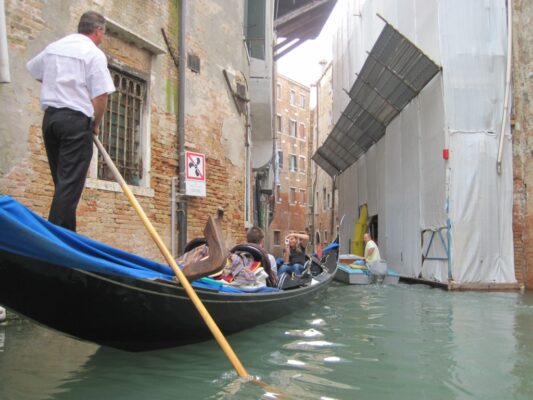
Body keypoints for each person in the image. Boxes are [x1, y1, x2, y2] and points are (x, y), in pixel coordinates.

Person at [26, 11, 115, 232]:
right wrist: (94, 123)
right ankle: (54, 242)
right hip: (75, 122)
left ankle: (68, 236)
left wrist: (59, 85)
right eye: (103, 33)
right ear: (98, 30)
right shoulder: (93, 53)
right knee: (69, 186)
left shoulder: (54, 47)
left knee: (64, 185)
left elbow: (36, 71)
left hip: (51, 121)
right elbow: (102, 95)